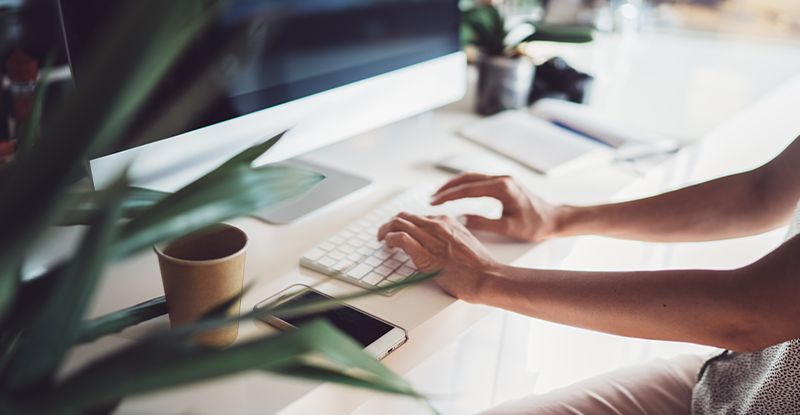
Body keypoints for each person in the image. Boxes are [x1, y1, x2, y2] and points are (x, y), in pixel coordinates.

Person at [377, 136, 800, 414]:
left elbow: (746, 312)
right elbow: (764, 191)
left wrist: (486, 277)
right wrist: (559, 218)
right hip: (736, 381)